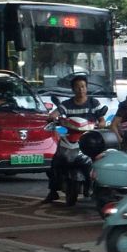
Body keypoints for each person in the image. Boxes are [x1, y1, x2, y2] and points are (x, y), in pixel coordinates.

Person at [46, 71, 107, 205]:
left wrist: (101, 123)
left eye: (83, 86)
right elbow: (56, 113)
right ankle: (53, 191)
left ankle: (94, 187)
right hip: (70, 138)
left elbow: (101, 119)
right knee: (56, 161)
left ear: (86, 88)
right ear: (73, 89)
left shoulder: (93, 103)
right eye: (78, 87)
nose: (81, 90)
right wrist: (53, 117)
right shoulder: (67, 104)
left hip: (89, 140)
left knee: (97, 162)